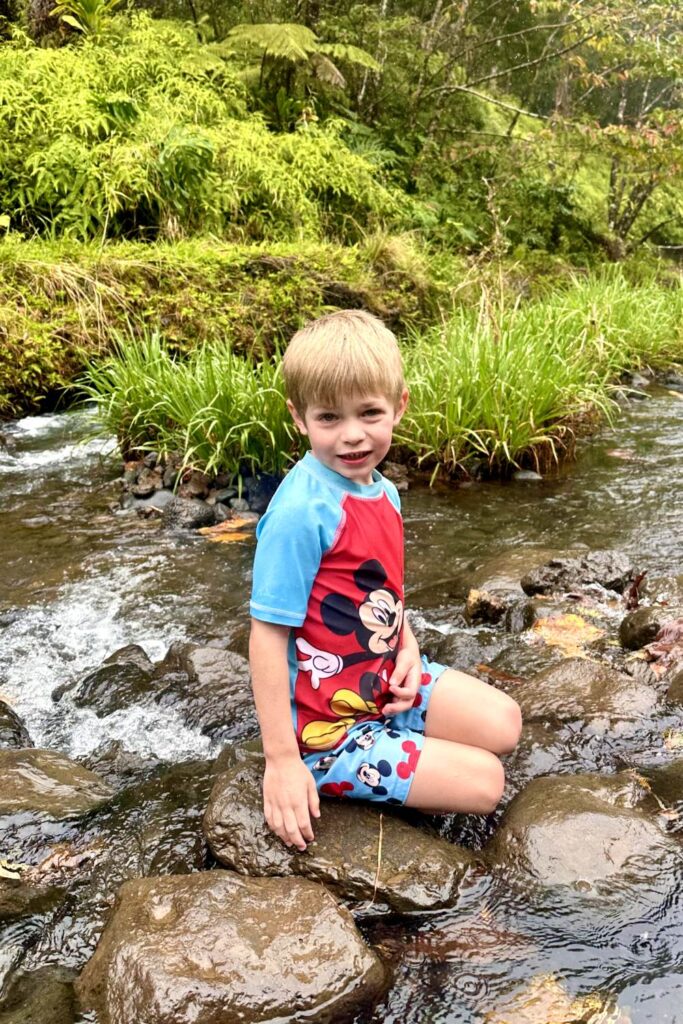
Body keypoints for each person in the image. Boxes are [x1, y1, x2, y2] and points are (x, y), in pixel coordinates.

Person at [249, 309, 522, 852]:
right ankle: (335, 762)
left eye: (369, 413)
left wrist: (408, 646)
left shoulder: (383, 493)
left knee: (505, 723)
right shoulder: (302, 512)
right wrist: (280, 760)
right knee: (487, 782)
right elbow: (266, 635)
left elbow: (384, 593)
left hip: (381, 683)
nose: (352, 436)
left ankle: (396, 739)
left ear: (399, 406)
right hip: (326, 728)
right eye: (329, 418)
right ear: (299, 418)